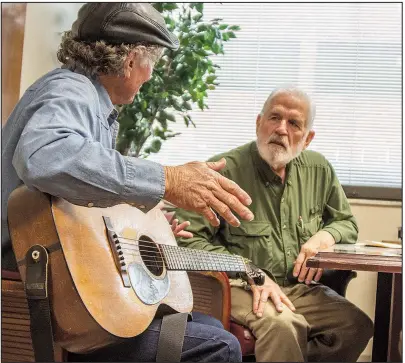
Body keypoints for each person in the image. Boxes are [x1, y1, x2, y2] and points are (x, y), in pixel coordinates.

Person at [1, 3, 250, 362]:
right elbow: (45, 156)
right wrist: (166, 178)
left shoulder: (87, 100)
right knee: (220, 345)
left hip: (60, 284)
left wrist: (140, 226)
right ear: (132, 61)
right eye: (153, 64)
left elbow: (68, 203)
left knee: (209, 325)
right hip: (38, 299)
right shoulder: (72, 91)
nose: (150, 77)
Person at [174, 86, 374, 362]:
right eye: (274, 118)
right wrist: (249, 270)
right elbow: (186, 241)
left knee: (355, 325)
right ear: (259, 123)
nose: (281, 129)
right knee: (283, 326)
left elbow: (346, 222)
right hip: (239, 286)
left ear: (307, 138)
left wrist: (325, 237)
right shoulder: (224, 170)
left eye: (293, 123)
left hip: (296, 287)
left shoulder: (319, 169)